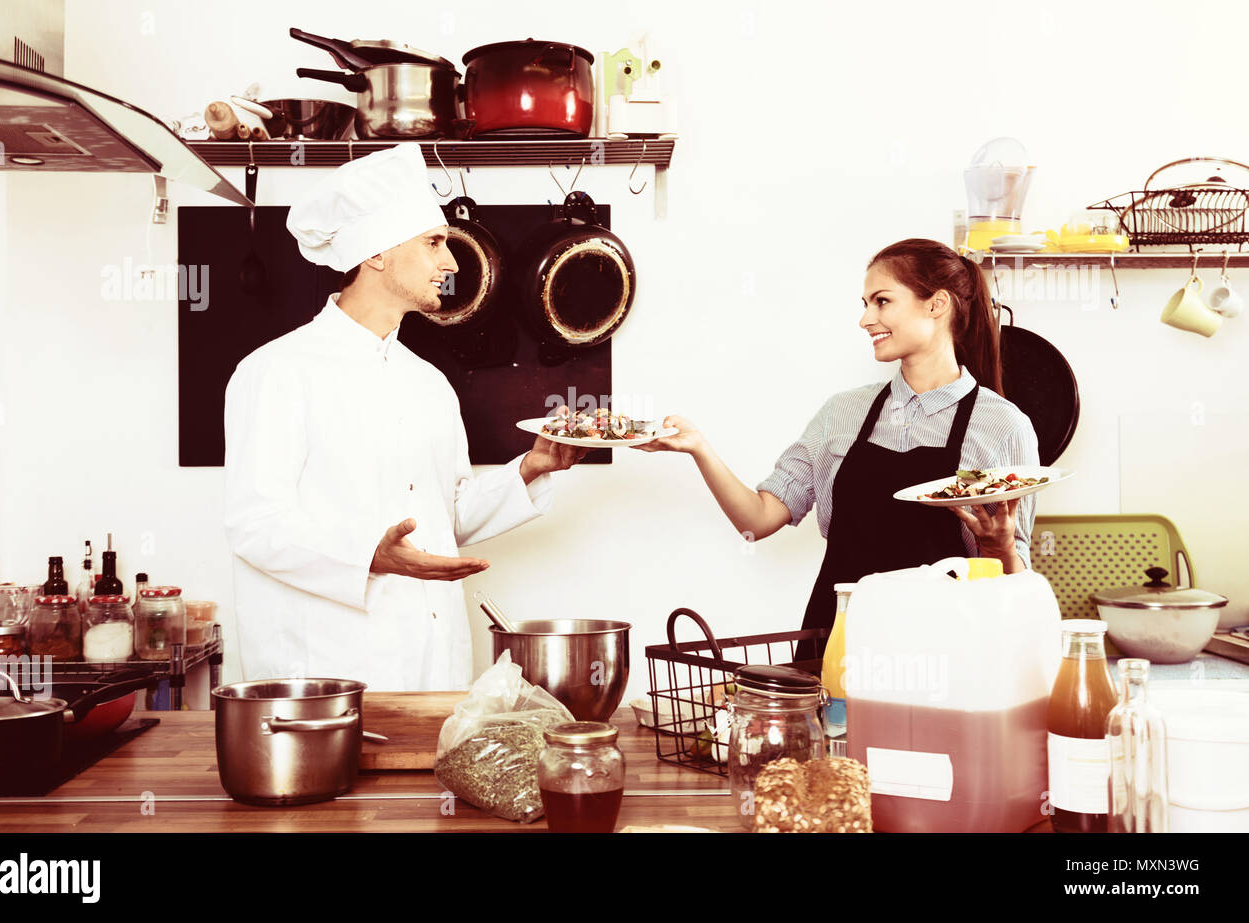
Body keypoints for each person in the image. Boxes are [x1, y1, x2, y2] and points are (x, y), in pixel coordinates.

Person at [223, 143, 584, 690]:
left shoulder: (427, 383)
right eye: (434, 242)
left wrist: (530, 469)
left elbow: (444, 516)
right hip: (329, 672)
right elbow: (256, 525)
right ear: (375, 254)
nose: (453, 262)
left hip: (432, 661)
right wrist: (371, 554)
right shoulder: (277, 372)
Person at [638, 238, 1039, 655]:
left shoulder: (1002, 427)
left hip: (945, 650)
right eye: (865, 303)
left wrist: (999, 546)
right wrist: (700, 448)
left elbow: (1015, 586)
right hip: (837, 645)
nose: (866, 319)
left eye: (882, 302)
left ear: (937, 305)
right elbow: (756, 521)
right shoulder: (842, 414)